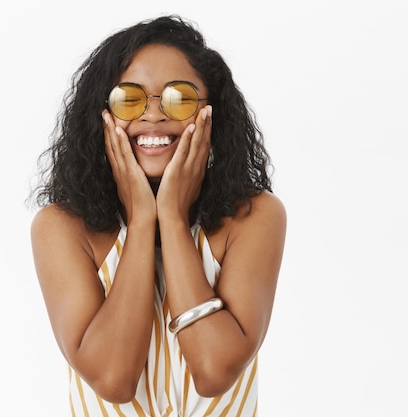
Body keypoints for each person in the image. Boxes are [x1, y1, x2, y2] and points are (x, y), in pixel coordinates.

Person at [29, 15, 286, 417]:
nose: (152, 115)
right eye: (129, 99)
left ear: (211, 111)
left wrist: (172, 215)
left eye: (178, 98)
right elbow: (114, 379)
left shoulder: (255, 217)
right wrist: (142, 220)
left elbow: (214, 371)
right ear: (103, 114)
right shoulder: (61, 227)